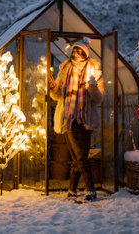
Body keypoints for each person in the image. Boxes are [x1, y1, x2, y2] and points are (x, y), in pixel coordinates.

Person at [49, 37, 104, 201]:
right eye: (74, 50)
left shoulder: (94, 70)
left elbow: (99, 99)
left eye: (79, 51)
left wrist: (92, 88)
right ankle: (90, 189)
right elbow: (58, 95)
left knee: (79, 156)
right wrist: (53, 87)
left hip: (85, 119)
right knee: (80, 156)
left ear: (85, 54)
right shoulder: (65, 69)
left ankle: (72, 190)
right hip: (69, 118)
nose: (76, 53)